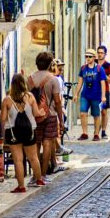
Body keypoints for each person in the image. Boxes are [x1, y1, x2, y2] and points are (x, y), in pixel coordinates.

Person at [0, 74, 46, 192]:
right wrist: (42, 111)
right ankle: (39, 179)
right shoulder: (30, 97)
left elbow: (3, 118)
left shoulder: (7, 100)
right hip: (29, 130)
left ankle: (21, 186)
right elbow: (36, 114)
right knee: (33, 157)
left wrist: (2, 135)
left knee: (18, 160)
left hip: (13, 131)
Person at [28, 51, 65, 181]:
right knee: (47, 143)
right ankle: (42, 175)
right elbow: (58, 101)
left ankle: (35, 175)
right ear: (50, 64)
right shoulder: (53, 79)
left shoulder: (30, 79)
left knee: (36, 144)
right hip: (50, 115)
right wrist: (61, 121)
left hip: (35, 115)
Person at [74, 49, 107, 140]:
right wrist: (76, 94)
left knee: (96, 115)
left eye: (90, 56)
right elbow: (80, 82)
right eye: (86, 56)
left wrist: (103, 96)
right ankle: (85, 133)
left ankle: (96, 134)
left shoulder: (100, 69)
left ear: (94, 57)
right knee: (82, 113)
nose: (88, 58)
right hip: (85, 95)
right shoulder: (83, 68)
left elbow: (103, 83)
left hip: (96, 96)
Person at [97, 46, 110, 138]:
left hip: (105, 91)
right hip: (94, 91)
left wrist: (102, 73)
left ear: (105, 54)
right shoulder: (93, 63)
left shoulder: (109, 66)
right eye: (98, 52)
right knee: (96, 112)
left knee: (104, 112)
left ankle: (103, 132)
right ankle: (96, 133)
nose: (100, 54)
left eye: (101, 53)